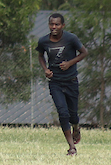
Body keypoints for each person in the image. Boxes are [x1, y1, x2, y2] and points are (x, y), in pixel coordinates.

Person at [36, 13, 89, 155]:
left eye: (57, 24)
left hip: (71, 81)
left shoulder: (71, 39)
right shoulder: (43, 41)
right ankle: (72, 147)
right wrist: (46, 69)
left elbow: (84, 52)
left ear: (63, 26)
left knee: (73, 115)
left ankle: (76, 127)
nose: (54, 27)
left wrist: (70, 63)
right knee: (62, 113)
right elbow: (40, 56)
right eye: (51, 24)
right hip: (55, 82)